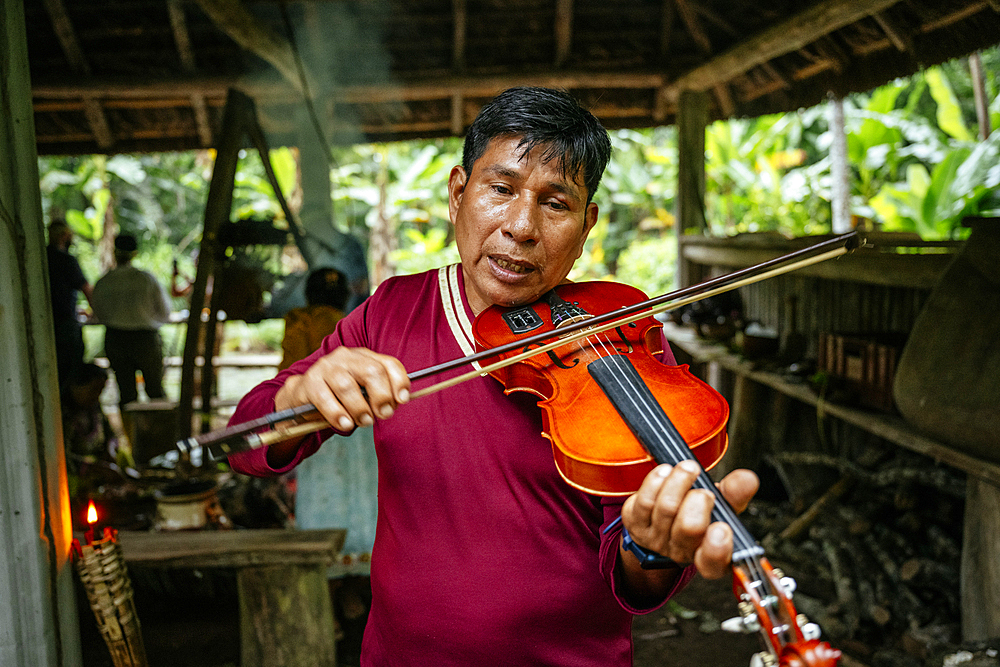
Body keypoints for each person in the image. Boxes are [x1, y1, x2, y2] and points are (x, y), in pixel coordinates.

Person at [227, 87, 758, 666]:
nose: (521, 226)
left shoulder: (622, 338)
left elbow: (632, 576)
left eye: (556, 204)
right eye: (501, 190)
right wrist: (300, 394)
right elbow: (244, 441)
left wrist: (653, 552)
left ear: (587, 226)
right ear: (459, 194)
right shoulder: (389, 312)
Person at [91, 234, 172, 414]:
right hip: (145, 339)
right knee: (155, 390)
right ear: (134, 254)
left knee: (126, 393)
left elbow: (97, 311)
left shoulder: (105, 281)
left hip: (116, 338)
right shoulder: (145, 279)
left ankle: (130, 437)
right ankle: (160, 434)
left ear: (114, 253)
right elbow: (165, 311)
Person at [46, 218, 93, 390]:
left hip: (47, 324)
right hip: (65, 324)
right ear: (64, 236)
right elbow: (87, 289)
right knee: (72, 371)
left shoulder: (41, 258)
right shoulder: (66, 260)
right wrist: (96, 310)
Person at [278, 267, 350, 371]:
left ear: (308, 292)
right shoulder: (349, 325)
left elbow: (291, 364)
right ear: (345, 295)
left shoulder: (297, 318)